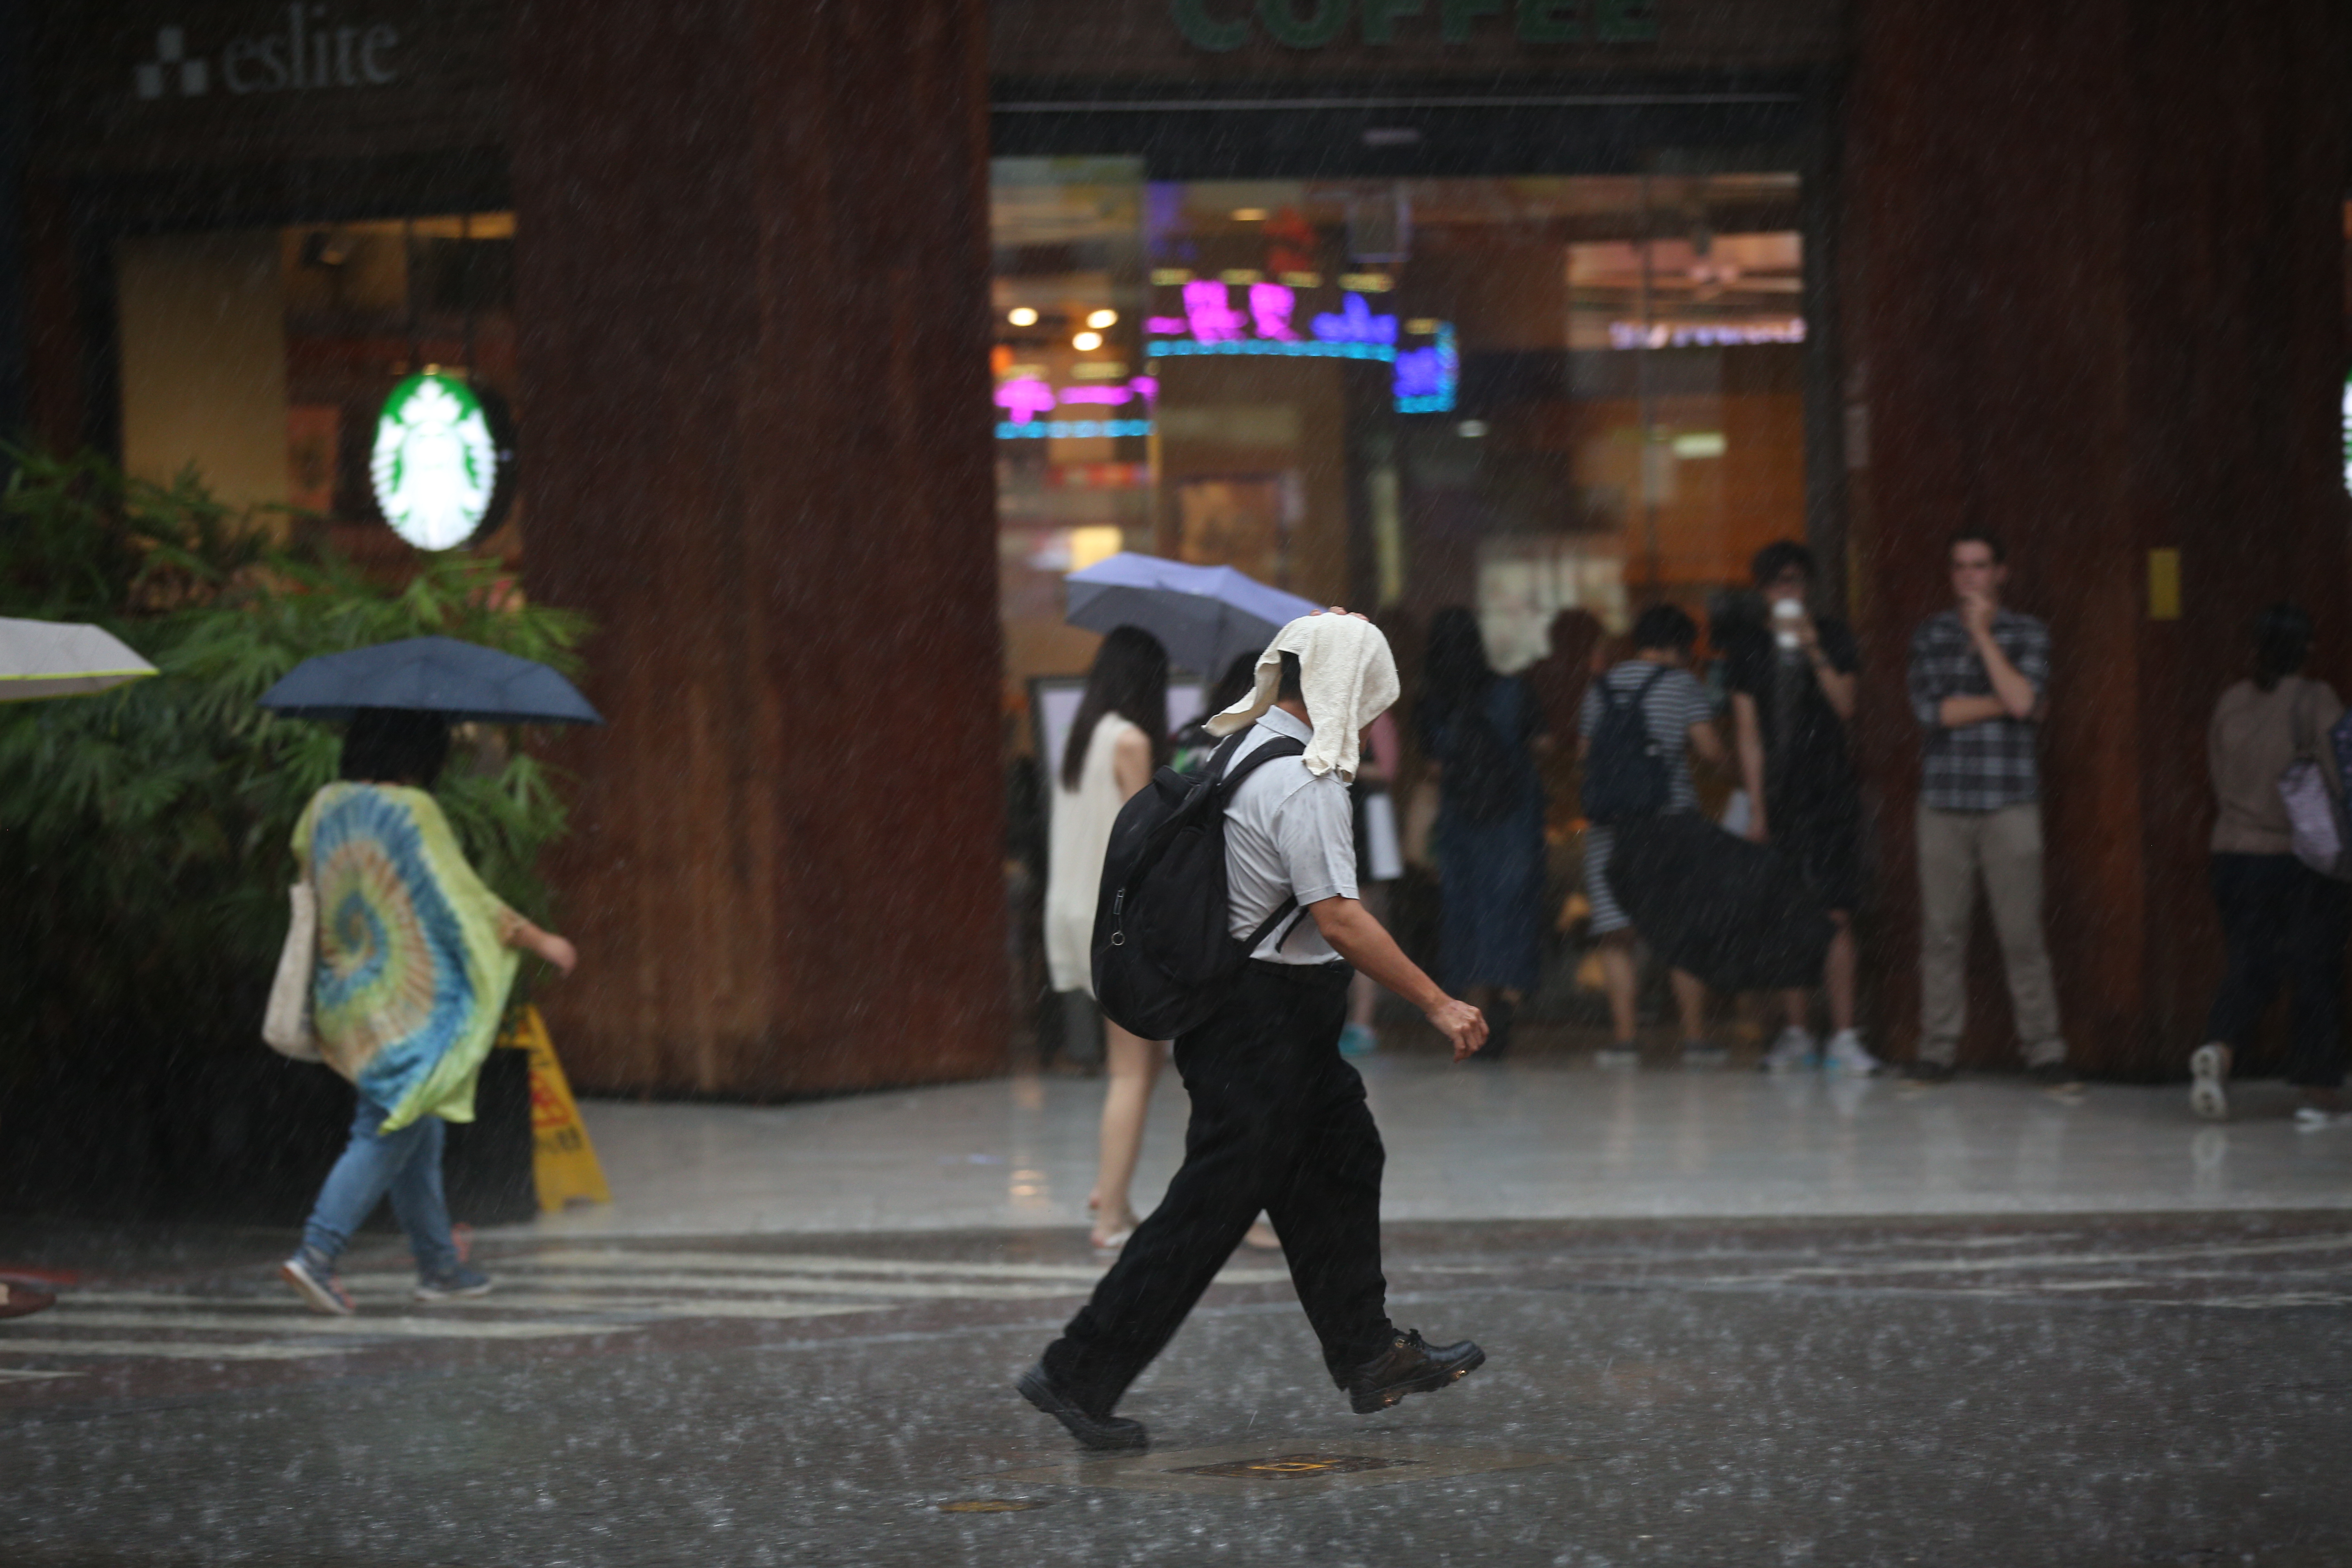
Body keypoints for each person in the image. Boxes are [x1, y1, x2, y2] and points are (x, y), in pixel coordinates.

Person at [1018, 611, 1490, 1452]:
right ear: (1344, 691)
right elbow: (1340, 920)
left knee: (1342, 1160)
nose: (1378, 715)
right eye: (1372, 696)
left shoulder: (1233, 744)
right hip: (1260, 1021)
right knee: (1209, 1209)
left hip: (1263, 1017)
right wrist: (1438, 1002)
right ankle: (1077, 1368)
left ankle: (1368, 1353)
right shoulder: (1303, 780)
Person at [280, 709, 577, 1316]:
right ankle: (317, 1253)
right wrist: (540, 940)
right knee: (386, 1129)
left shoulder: (323, 805)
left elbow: (312, 874)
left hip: (346, 994)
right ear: (421, 752)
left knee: (418, 1127)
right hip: (406, 1006)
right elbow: (463, 900)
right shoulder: (415, 812)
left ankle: (439, 1265)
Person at [1903, 531, 2066, 1084]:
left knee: (2022, 935)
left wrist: (1985, 639)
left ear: (2002, 573)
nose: (1970, 577)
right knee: (1942, 934)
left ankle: (2045, 1051)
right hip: (1943, 803)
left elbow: (2025, 700)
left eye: (1980, 566)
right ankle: (1937, 1050)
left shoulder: (2028, 633)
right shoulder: (1929, 635)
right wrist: (2012, 703)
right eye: (1960, 568)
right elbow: (1935, 712)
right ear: (1951, 575)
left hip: (2009, 802)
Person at [2188, 604, 2350, 1127]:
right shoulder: (2315, 700)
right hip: (2296, 859)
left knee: (2251, 964)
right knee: (2314, 969)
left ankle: (2220, 1047)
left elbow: (2217, 773)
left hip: (2232, 855)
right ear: (2306, 648)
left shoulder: (2231, 701)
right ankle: (2318, 1090)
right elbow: (2341, 777)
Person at [1724, 541, 1881, 1075]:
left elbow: (1848, 706)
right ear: (1763, 591)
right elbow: (1747, 734)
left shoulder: (1833, 635)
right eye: (1775, 583)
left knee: (1836, 913)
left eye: (1793, 580)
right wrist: (1758, 805)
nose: (1786, 590)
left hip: (1831, 789)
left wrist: (1813, 649)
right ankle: (1795, 1032)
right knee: (1786, 911)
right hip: (1782, 794)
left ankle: (1842, 1034)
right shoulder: (1747, 648)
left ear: (1808, 583)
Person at [1044, 626, 1172, 1251]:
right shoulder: (1131, 741)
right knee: (1131, 1070)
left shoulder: (1084, 736)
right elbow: (1145, 841)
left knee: (1137, 1065)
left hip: (1071, 910)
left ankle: (1110, 1189)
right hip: (1115, 920)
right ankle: (1110, 1216)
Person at [1579, 604, 1726, 1065]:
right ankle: (1696, 1041)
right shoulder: (1683, 685)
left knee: (1617, 933)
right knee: (1680, 930)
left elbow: (1585, 755)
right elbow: (1709, 750)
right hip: (1670, 821)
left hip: (1612, 825)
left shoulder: (1601, 687)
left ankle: (1625, 1042)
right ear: (1681, 646)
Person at [1416, 607, 1547, 1059]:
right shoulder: (1513, 691)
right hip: (1515, 820)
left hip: (1461, 822)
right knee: (1512, 911)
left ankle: (1473, 1017)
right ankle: (1508, 1004)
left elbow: (1434, 768)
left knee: (1465, 915)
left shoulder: (1432, 702)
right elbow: (1543, 746)